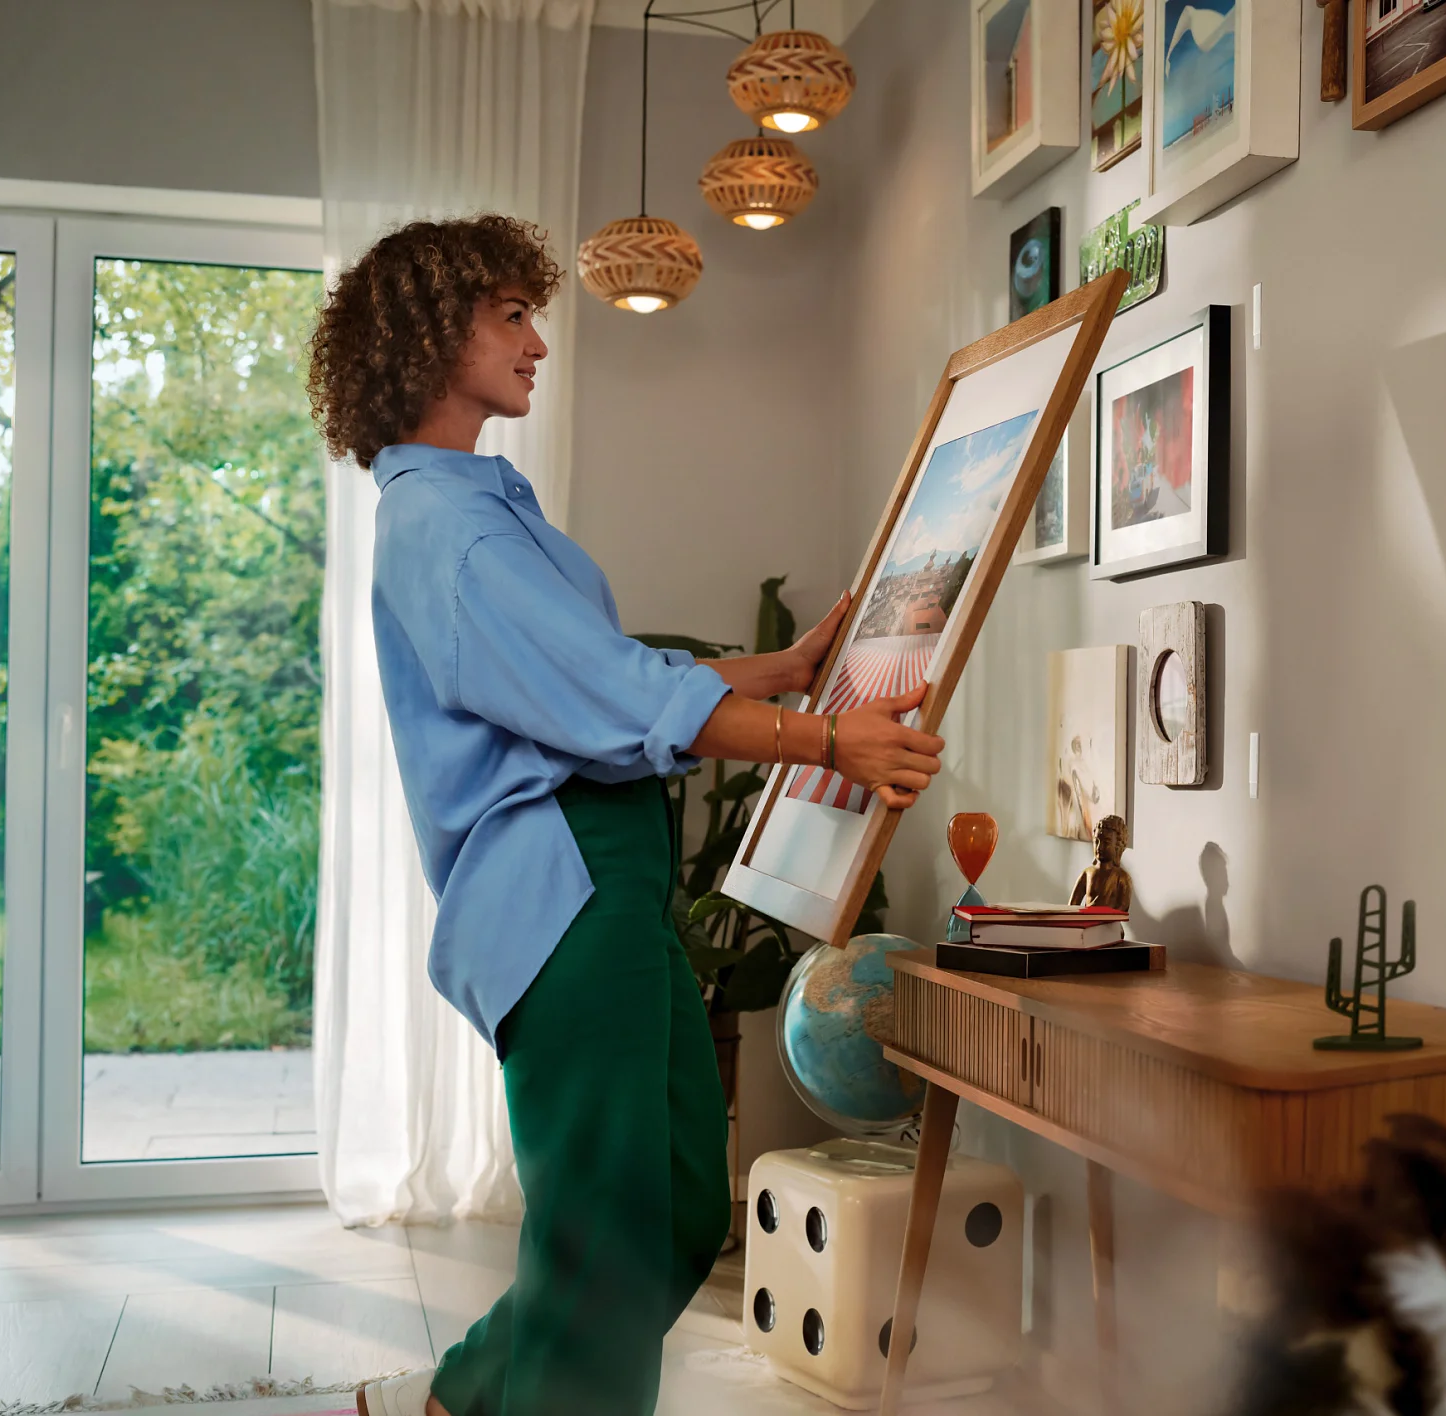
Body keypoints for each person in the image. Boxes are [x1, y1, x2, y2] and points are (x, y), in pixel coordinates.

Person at [305, 215, 945, 1416]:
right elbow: (605, 695)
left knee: (678, 1206)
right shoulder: (442, 528)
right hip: (561, 888)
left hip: (609, 878)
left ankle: (454, 1398)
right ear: (433, 331)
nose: (538, 341)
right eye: (511, 314)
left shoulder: (486, 506)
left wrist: (784, 670)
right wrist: (820, 737)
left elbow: (592, 669)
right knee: (603, 1226)